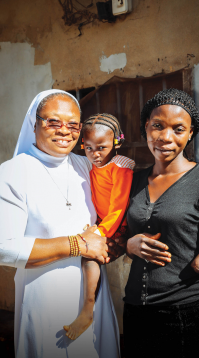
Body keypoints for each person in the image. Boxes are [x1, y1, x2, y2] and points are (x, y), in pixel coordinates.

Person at [0, 89, 124, 358]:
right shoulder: (11, 173)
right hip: (45, 301)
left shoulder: (85, 166)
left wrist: (113, 245)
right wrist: (78, 245)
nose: (65, 131)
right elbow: (1, 248)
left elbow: (107, 222)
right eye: (53, 121)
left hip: (93, 300)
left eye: (74, 125)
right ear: (33, 124)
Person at [124, 88, 199, 358]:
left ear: (190, 133)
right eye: (157, 125)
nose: (165, 136)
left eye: (177, 129)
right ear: (145, 127)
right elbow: (117, 237)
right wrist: (130, 245)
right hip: (136, 311)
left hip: (186, 313)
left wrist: (195, 268)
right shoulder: (134, 180)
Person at [64, 113, 135, 340]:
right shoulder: (92, 165)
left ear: (117, 143)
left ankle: (87, 311)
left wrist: (100, 231)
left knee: (90, 255)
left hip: (119, 225)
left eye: (102, 147)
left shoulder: (120, 166)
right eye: (88, 148)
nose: (95, 154)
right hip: (103, 223)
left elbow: (119, 205)